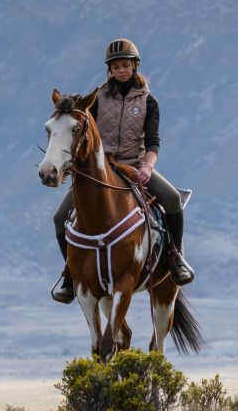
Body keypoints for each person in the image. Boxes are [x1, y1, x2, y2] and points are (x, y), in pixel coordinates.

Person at [49, 38, 193, 303]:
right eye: (116, 67)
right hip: (103, 167)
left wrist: (148, 167)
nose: (121, 71)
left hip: (136, 165)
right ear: (110, 70)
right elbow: (79, 124)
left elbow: (153, 142)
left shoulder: (149, 102)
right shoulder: (98, 98)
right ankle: (70, 273)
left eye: (125, 65)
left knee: (173, 199)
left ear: (135, 66)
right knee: (59, 218)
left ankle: (175, 257)